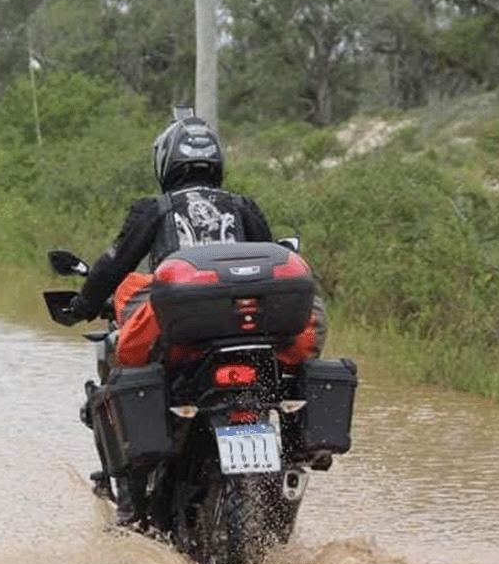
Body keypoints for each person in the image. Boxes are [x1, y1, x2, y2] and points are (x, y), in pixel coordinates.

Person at [69, 112, 325, 524]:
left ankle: (133, 509)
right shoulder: (243, 206)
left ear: (166, 162)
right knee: (284, 386)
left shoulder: (153, 209)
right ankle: (292, 459)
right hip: (250, 340)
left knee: (119, 386)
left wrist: (83, 304)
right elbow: (272, 261)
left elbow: (113, 265)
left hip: (183, 344)